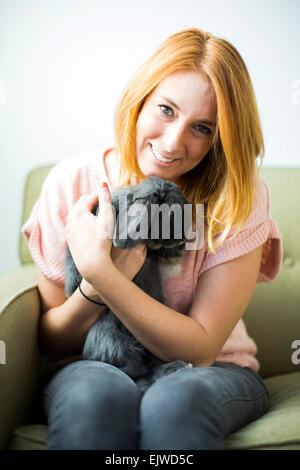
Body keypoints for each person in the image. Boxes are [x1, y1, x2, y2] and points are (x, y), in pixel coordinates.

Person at [21, 27, 283, 450]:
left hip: (213, 369)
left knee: (176, 399)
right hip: (95, 365)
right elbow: (54, 341)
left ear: (222, 139)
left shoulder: (238, 199)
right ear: (139, 99)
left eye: (202, 128)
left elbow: (200, 349)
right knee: (95, 399)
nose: (173, 142)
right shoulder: (70, 183)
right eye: (165, 109)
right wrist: (91, 288)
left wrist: (104, 276)